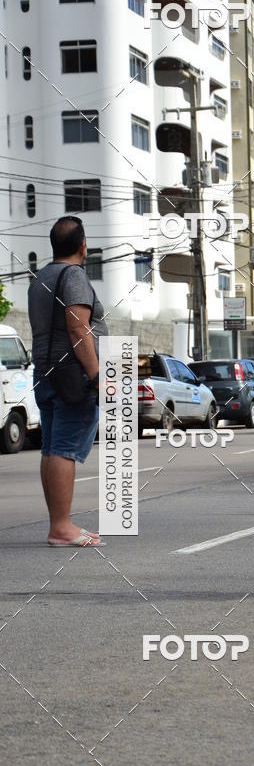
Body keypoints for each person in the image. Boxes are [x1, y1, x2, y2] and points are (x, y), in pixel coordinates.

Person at [28, 216, 108, 546]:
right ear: (82, 245)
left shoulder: (40, 277)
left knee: (51, 449)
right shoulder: (73, 275)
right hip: (73, 376)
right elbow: (78, 328)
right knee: (63, 450)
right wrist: (97, 376)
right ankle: (61, 527)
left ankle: (58, 524)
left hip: (45, 373)